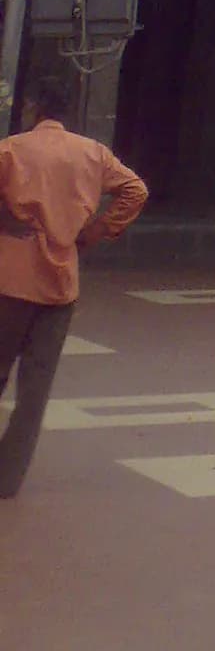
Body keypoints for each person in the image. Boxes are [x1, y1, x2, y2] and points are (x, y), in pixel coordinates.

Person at [0, 76, 147, 497]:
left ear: (33, 108)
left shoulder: (11, 149)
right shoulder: (93, 153)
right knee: (35, 389)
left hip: (10, 276)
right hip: (61, 280)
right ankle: (7, 478)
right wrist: (97, 230)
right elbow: (136, 191)